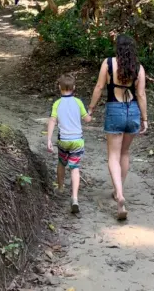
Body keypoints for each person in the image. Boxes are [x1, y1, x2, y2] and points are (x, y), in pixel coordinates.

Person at [88, 34, 148, 221]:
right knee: (125, 154)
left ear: (117, 48)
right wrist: (145, 119)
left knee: (113, 156)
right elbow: (141, 94)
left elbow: (99, 87)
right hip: (133, 112)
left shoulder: (108, 64)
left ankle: (119, 194)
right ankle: (118, 191)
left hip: (115, 110)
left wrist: (91, 108)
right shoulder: (138, 68)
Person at [47, 74, 92, 214]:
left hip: (63, 140)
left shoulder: (57, 103)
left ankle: (60, 187)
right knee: (75, 168)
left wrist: (49, 139)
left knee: (61, 163)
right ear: (74, 88)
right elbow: (87, 120)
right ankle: (74, 197)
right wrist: (90, 112)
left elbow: (52, 120)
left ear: (59, 87)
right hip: (77, 140)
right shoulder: (78, 102)